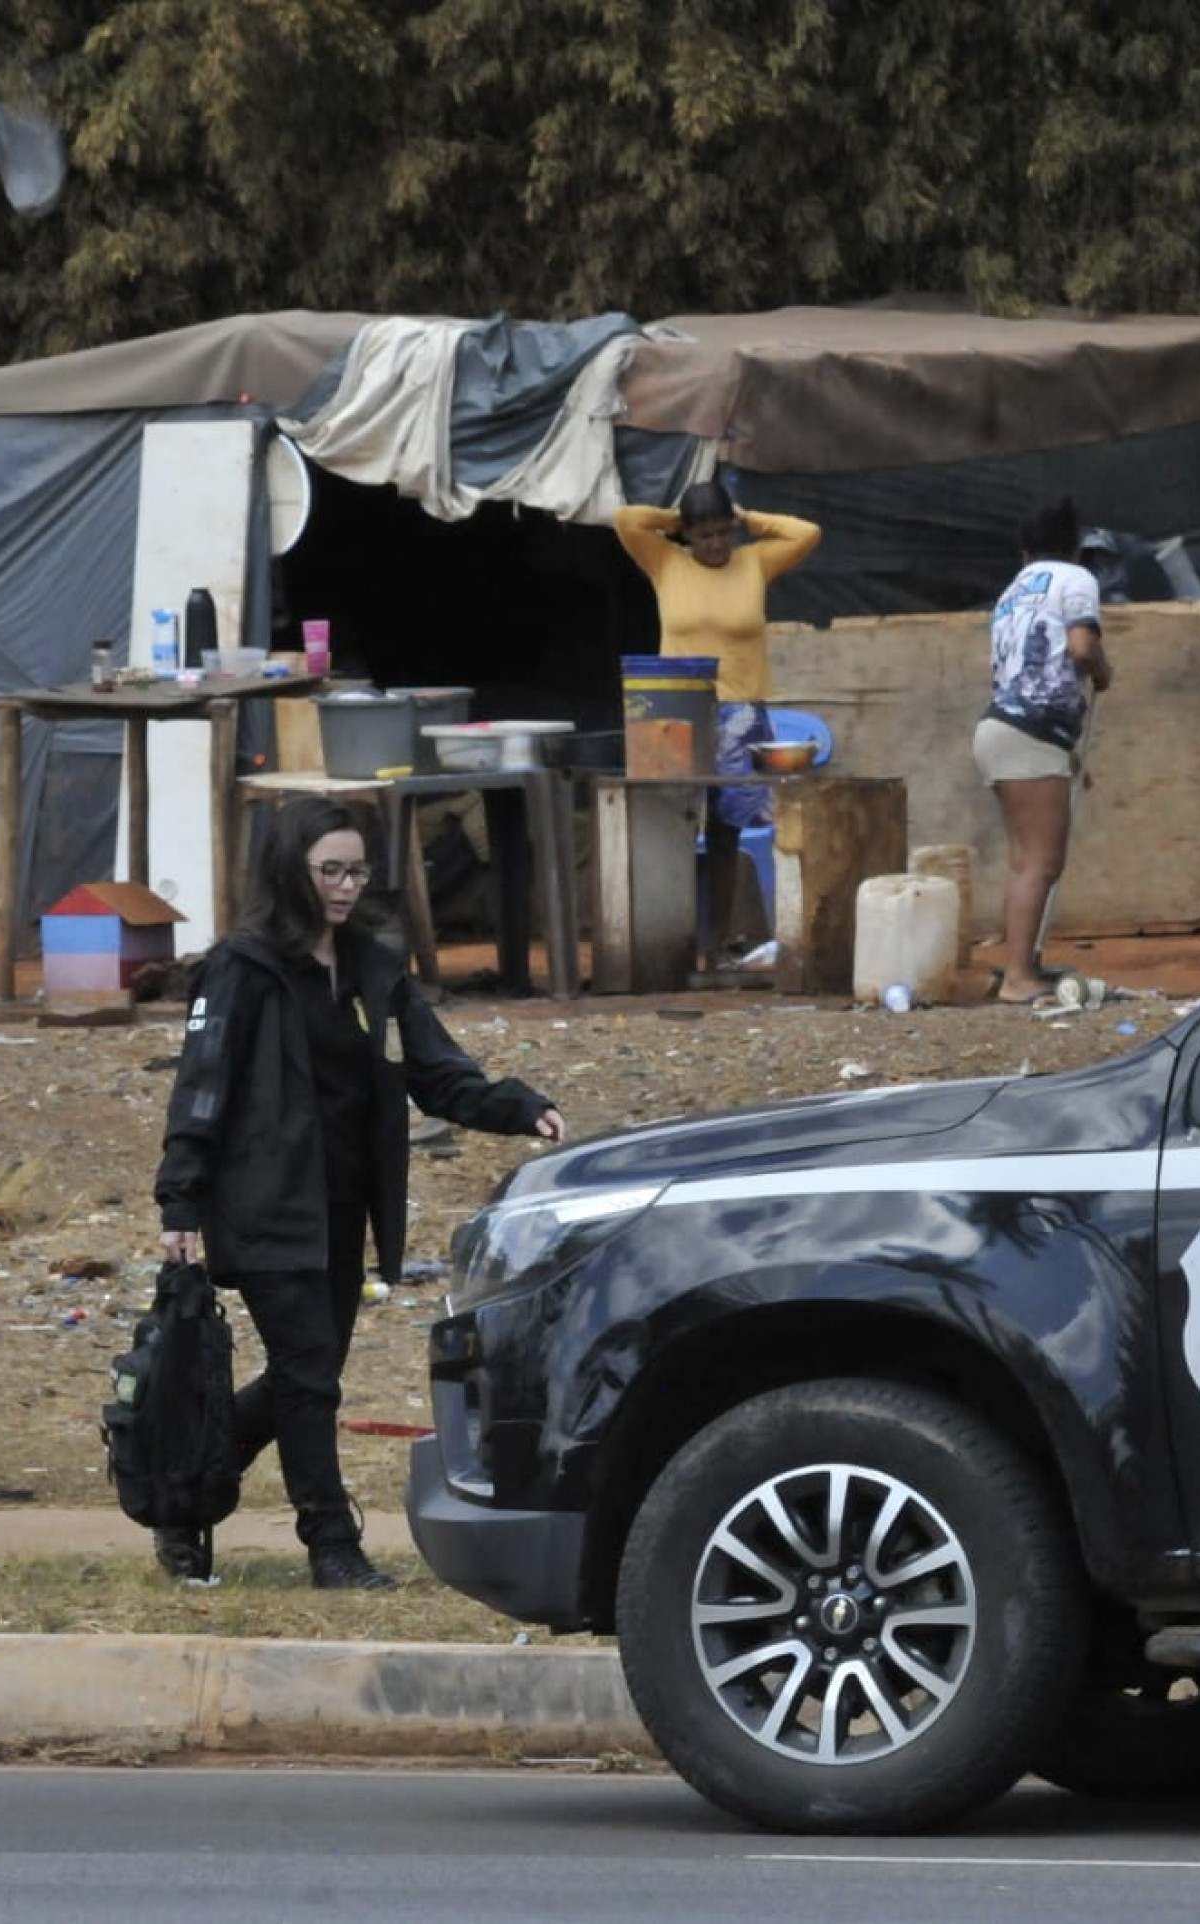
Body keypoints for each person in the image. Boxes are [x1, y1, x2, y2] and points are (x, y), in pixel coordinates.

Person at [154, 799, 565, 1589]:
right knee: (308, 1373)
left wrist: (516, 1106)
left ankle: (183, 1493)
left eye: (357, 871)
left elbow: (437, 1072)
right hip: (265, 1202)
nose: (345, 887)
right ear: (291, 871)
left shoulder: (375, 968)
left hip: (345, 1210)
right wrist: (181, 1201)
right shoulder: (241, 968)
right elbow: (199, 1088)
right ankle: (331, 1546)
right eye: (330, 871)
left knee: (303, 1377)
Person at [613, 480, 824, 833]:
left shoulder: (754, 563)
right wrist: (672, 519)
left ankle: (724, 888)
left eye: (723, 533)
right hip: (677, 713)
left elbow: (808, 533)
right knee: (674, 822)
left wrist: (750, 519)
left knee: (734, 827)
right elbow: (626, 520)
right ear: (688, 535)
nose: (715, 544)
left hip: (740, 714)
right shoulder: (665, 561)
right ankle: (682, 889)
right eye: (704, 536)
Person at [976, 497, 1113, 1004]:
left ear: (1024, 549)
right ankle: (1018, 977)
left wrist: (1070, 753)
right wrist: (1103, 671)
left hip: (1001, 730)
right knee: (1040, 863)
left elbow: (1017, 672)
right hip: (1031, 734)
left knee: (1024, 861)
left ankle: (1021, 964)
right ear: (1075, 545)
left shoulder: (1012, 592)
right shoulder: (1076, 580)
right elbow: (1080, 648)